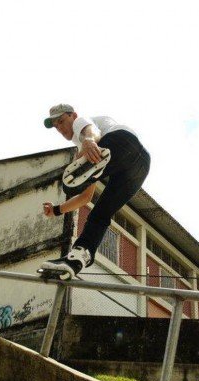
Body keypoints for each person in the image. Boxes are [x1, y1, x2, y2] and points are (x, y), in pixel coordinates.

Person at [41, 103, 151, 278]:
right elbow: (85, 197)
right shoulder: (86, 151)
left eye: (61, 121)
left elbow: (91, 131)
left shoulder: (83, 122)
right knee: (100, 214)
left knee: (77, 172)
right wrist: (57, 210)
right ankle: (78, 257)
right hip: (140, 166)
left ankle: (90, 163)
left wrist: (89, 141)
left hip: (121, 141)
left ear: (72, 115)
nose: (60, 129)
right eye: (56, 127)